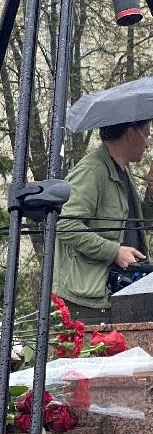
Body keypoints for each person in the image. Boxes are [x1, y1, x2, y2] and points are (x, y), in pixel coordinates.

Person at [53, 118, 150, 322]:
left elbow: (137, 224)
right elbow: (65, 224)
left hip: (118, 292)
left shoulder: (122, 171)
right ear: (130, 134)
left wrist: (151, 193)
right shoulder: (92, 171)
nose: (148, 143)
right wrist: (114, 251)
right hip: (88, 302)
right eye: (146, 135)